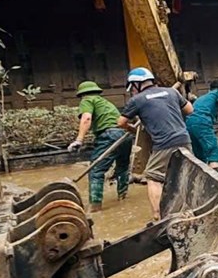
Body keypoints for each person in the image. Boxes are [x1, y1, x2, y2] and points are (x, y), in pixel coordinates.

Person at [117, 67, 193, 219]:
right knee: (182, 174)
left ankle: (158, 215)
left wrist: (131, 128)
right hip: (184, 139)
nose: (132, 91)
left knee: (153, 177)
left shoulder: (137, 100)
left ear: (136, 85)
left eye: (132, 88)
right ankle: (188, 208)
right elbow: (190, 109)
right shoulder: (172, 92)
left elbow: (120, 122)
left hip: (164, 143)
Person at [68, 80, 133, 211]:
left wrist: (79, 140)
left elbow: (86, 118)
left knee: (96, 170)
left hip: (109, 135)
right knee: (123, 168)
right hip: (125, 136)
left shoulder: (87, 100)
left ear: (81, 94)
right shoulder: (105, 103)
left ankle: (95, 207)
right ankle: (123, 198)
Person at [186, 80, 218, 174]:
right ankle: (216, 185)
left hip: (188, 124)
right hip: (202, 122)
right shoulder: (217, 92)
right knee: (213, 153)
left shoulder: (201, 98)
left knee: (200, 155)